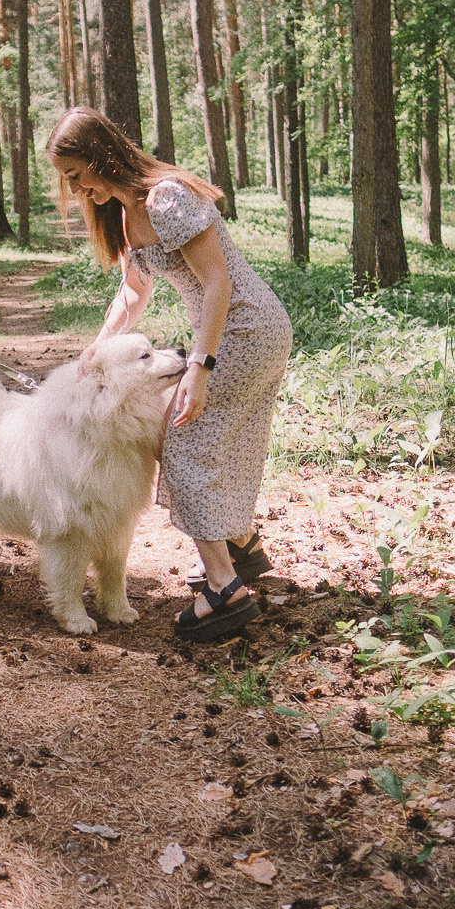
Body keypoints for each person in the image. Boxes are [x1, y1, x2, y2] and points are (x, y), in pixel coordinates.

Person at [45, 107, 294, 642]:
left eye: (75, 173)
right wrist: (96, 351)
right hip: (227, 332)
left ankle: (224, 589)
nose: (75, 187)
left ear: (98, 156)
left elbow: (217, 285)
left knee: (182, 443)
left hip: (245, 331)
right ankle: (241, 547)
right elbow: (134, 293)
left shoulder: (167, 198)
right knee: (182, 438)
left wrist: (198, 369)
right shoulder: (125, 213)